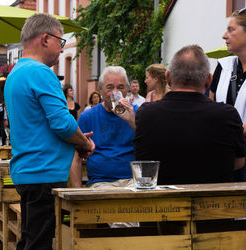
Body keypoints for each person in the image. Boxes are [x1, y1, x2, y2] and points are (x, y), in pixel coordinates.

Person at [4, 13, 94, 250]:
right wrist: (84, 143)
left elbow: (40, 125)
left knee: (30, 242)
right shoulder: (41, 72)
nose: (61, 47)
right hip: (44, 171)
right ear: (45, 38)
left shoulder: (17, 72)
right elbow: (63, 123)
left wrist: (74, 140)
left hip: (29, 170)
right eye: (60, 41)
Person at [134, 45, 245, 185]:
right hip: (214, 202)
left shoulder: (146, 114)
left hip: (163, 204)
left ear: (168, 77)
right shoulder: (227, 115)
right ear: (209, 80)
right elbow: (239, 162)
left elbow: (142, 162)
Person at [70, 66, 137, 188]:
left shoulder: (137, 112)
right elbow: (76, 156)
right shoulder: (88, 116)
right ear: (100, 89)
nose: (115, 92)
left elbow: (150, 148)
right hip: (101, 181)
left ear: (127, 90)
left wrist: (132, 121)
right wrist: (77, 192)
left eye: (120, 87)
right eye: (110, 87)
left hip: (133, 180)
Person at [209, 8, 246, 181]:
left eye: (231, 30)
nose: (224, 35)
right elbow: (210, 108)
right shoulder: (223, 66)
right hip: (225, 154)